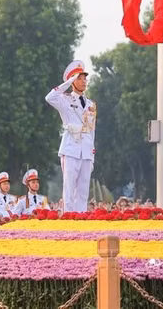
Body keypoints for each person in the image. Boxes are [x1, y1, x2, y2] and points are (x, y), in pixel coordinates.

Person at [45, 60, 96, 213]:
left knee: (83, 189)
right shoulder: (65, 99)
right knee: (69, 187)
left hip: (86, 150)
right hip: (71, 149)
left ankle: (81, 217)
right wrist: (68, 82)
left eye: (85, 78)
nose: (83, 81)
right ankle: (69, 216)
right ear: (72, 81)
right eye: (79, 78)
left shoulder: (91, 104)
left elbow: (92, 131)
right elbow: (50, 97)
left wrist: (92, 155)